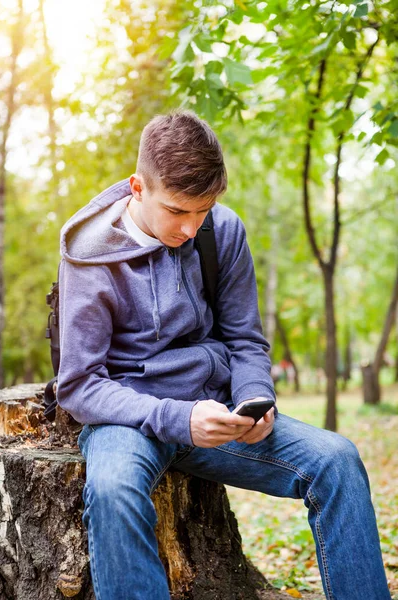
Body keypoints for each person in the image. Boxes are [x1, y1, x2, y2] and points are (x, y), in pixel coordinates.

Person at [57, 110, 390, 600]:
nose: (192, 228)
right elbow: (79, 385)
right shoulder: (90, 255)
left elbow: (246, 339)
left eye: (204, 210)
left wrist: (255, 397)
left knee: (338, 460)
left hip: (217, 411)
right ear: (137, 187)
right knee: (112, 491)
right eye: (177, 211)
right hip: (127, 418)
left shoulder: (223, 231)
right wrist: (177, 418)